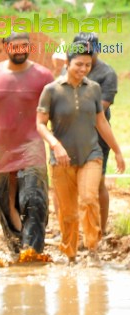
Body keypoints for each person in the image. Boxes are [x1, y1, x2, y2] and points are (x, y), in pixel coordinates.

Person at [36, 41, 125, 264]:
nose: (83, 69)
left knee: (88, 199)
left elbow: (101, 121)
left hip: (91, 154)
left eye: (87, 65)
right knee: (67, 212)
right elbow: (39, 124)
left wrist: (117, 150)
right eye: (78, 64)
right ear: (67, 63)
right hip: (62, 159)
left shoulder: (93, 88)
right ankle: (71, 255)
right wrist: (55, 145)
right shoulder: (51, 90)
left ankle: (93, 250)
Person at [0, 33, 54, 257]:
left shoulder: (44, 76)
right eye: (15, 46)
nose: (21, 50)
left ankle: (32, 251)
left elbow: (54, 113)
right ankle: (16, 250)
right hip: (1, 148)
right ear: (6, 47)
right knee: (4, 201)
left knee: (33, 199)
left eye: (25, 46)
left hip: (31, 145)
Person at [72, 32, 118, 236]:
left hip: (97, 136)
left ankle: (101, 228)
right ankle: (74, 228)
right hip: (69, 135)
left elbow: (99, 110)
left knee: (97, 183)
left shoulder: (107, 73)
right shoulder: (69, 68)